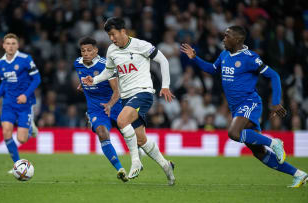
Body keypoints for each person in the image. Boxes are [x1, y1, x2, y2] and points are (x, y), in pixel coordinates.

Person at [181, 25, 307, 188]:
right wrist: (195, 58)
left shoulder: (250, 58)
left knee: (234, 133)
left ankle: (274, 142)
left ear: (238, 39)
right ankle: (299, 174)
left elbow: (274, 75)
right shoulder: (224, 54)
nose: (223, 39)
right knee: (259, 153)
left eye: (227, 36)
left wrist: (275, 102)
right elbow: (212, 69)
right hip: (236, 108)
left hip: (250, 103)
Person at [82, 17, 175, 185]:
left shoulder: (141, 45)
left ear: (123, 31)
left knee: (121, 120)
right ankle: (166, 166)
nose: (111, 38)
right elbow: (108, 72)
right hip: (126, 98)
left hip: (143, 93)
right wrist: (94, 80)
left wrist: (166, 86)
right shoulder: (112, 50)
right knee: (141, 139)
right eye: (109, 35)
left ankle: (135, 162)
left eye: (113, 34)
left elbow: (163, 60)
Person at [75, 36, 129, 182]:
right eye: (83, 51)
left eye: (89, 50)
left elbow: (117, 92)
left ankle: (157, 161)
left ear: (96, 51)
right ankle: (120, 169)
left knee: (133, 137)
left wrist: (110, 105)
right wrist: (83, 85)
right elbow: (84, 79)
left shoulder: (106, 65)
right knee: (102, 134)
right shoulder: (77, 64)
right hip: (96, 109)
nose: (85, 53)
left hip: (114, 105)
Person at [0, 33, 40, 173]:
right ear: (3, 45)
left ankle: (31, 127)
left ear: (17, 45)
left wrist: (25, 95)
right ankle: (18, 165)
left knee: (22, 139)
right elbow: (4, 82)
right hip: (8, 103)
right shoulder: (0, 63)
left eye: (13, 43)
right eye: (8, 43)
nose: (10, 46)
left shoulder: (26, 59)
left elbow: (37, 79)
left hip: (25, 104)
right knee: (6, 132)